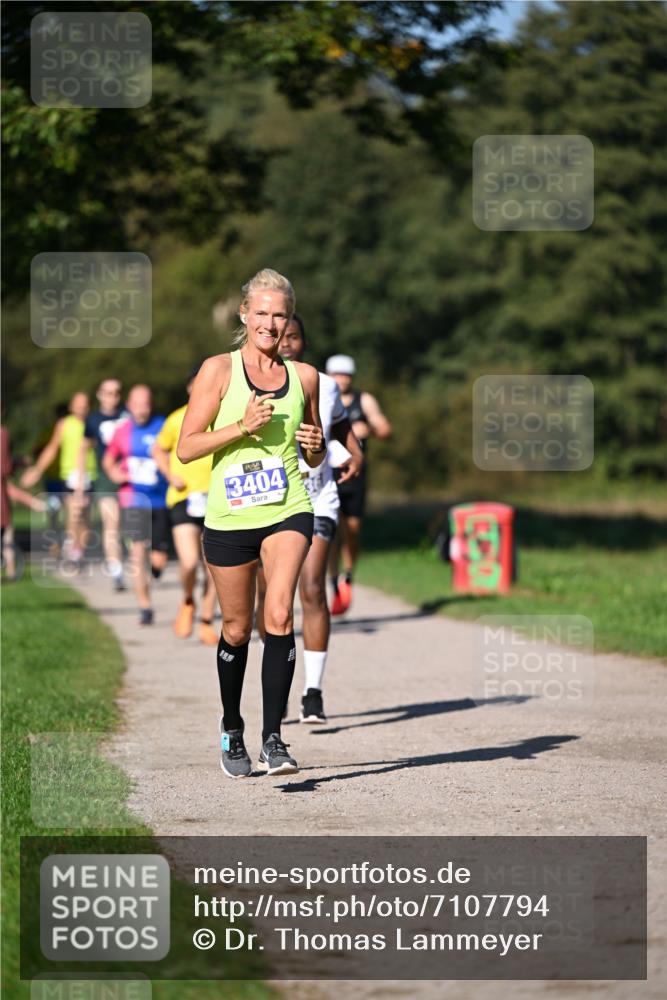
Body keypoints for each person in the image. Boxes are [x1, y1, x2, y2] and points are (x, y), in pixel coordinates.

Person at [177, 268, 325, 778]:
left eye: (279, 315)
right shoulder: (218, 371)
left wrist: (315, 448)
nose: (270, 322)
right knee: (237, 628)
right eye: (261, 312)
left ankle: (274, 739)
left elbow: (313, 451)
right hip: (230, 516)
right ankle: (232, 727)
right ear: (245, 315)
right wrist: (241, 427)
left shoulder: (305, 377)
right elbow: (187, 446)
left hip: (288, 508)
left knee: (279, 615)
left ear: (289, 321)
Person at [255, 316, 364, 723]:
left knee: (312, 587)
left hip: (317, 499)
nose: (285, 342)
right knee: (269, 599)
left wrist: (356, 453)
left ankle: (312, 692)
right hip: (267, 504)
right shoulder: (250, 381)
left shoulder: (325, 384)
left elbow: (340, 426)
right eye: (280, 336)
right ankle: (277, 688)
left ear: (303, 342)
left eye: (294, 336)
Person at [152, 365, 218, 646]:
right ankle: (188, 600)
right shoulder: (177, 418)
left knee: (214, 566)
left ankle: (206, 619)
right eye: (195, 383)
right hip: (183, 497)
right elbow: (158, 449)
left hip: (217, 497)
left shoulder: (221, 415)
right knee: (190, 562)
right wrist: (170, 475)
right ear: (190, 387)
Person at [325, 354, 392, 614]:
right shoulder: (320, 397)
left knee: (352, 529)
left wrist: (370, 430)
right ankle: (333, 582)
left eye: (346, 375)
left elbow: (386, 429)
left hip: (355, 474)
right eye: (336, 375)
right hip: (327, 472)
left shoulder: (364, 400)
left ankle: (349, 575)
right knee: (329, 530)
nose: (341, 380)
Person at [103, 385, 169, 626]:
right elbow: (108, 460)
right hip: (133, 499)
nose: (142, 409)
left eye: (146, 404)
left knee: (159, 558)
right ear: (129, 406)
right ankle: (144, 606)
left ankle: (156, 568)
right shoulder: (122, 431)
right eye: (137, 404)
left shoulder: (163, 425)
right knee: (137, 551)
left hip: (161, 499)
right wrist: (115, 475)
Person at [21, 392, 97, 568]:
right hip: (69, 475)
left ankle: (80, 552)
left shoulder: (92, 423)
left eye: (84, 404)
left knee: (85, 518)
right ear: (71, 406)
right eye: (77, 404)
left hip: (89, 475)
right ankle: (72, 551)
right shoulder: (64, 424)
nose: (81, 408)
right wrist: (37, 470)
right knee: (72, 512)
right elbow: (52, 448)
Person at [77, 378, 128, 591]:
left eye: (116, 393)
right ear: (99, 394)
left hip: (128, 477)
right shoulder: (93, 420)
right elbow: (83, 449)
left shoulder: (128, 416)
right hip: (105, 480)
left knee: (130, 524)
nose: (112, 397)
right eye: (107, 393)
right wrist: (80, 483)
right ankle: (116, 570)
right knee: (112, 524)